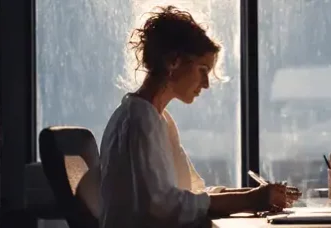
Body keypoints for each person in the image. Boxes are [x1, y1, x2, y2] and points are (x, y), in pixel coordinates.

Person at [99, 6, 301, 228]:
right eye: (202, 70)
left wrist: (255, 194)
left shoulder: (157, 119)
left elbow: (191, 192)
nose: (205, 84)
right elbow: (162, 206)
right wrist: (251, 199)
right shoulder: (140, 120)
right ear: (173, 61)